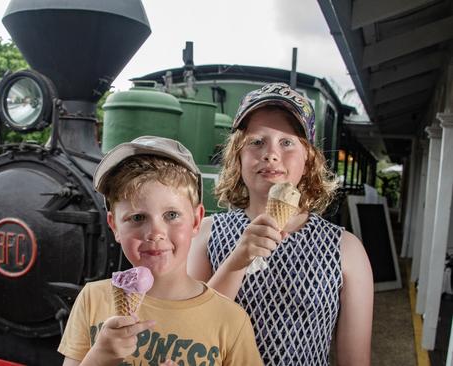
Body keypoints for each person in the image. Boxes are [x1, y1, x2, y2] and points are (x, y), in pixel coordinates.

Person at [188, 83, 374, 366]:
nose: (271, 154)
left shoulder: (346, 249)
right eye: (257, 142)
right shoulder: (207, 233)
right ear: (237, 156)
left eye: (287, 142)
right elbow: (189, 336)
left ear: (308, 159)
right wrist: (236, 261)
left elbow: (354, 360)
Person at [59, 136, 263, 366]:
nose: (156, 232)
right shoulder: (92, 299)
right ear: (114, 225)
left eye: (172, 215)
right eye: (137, 218)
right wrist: (99, 356)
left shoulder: (231, 321)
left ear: (196, 221)